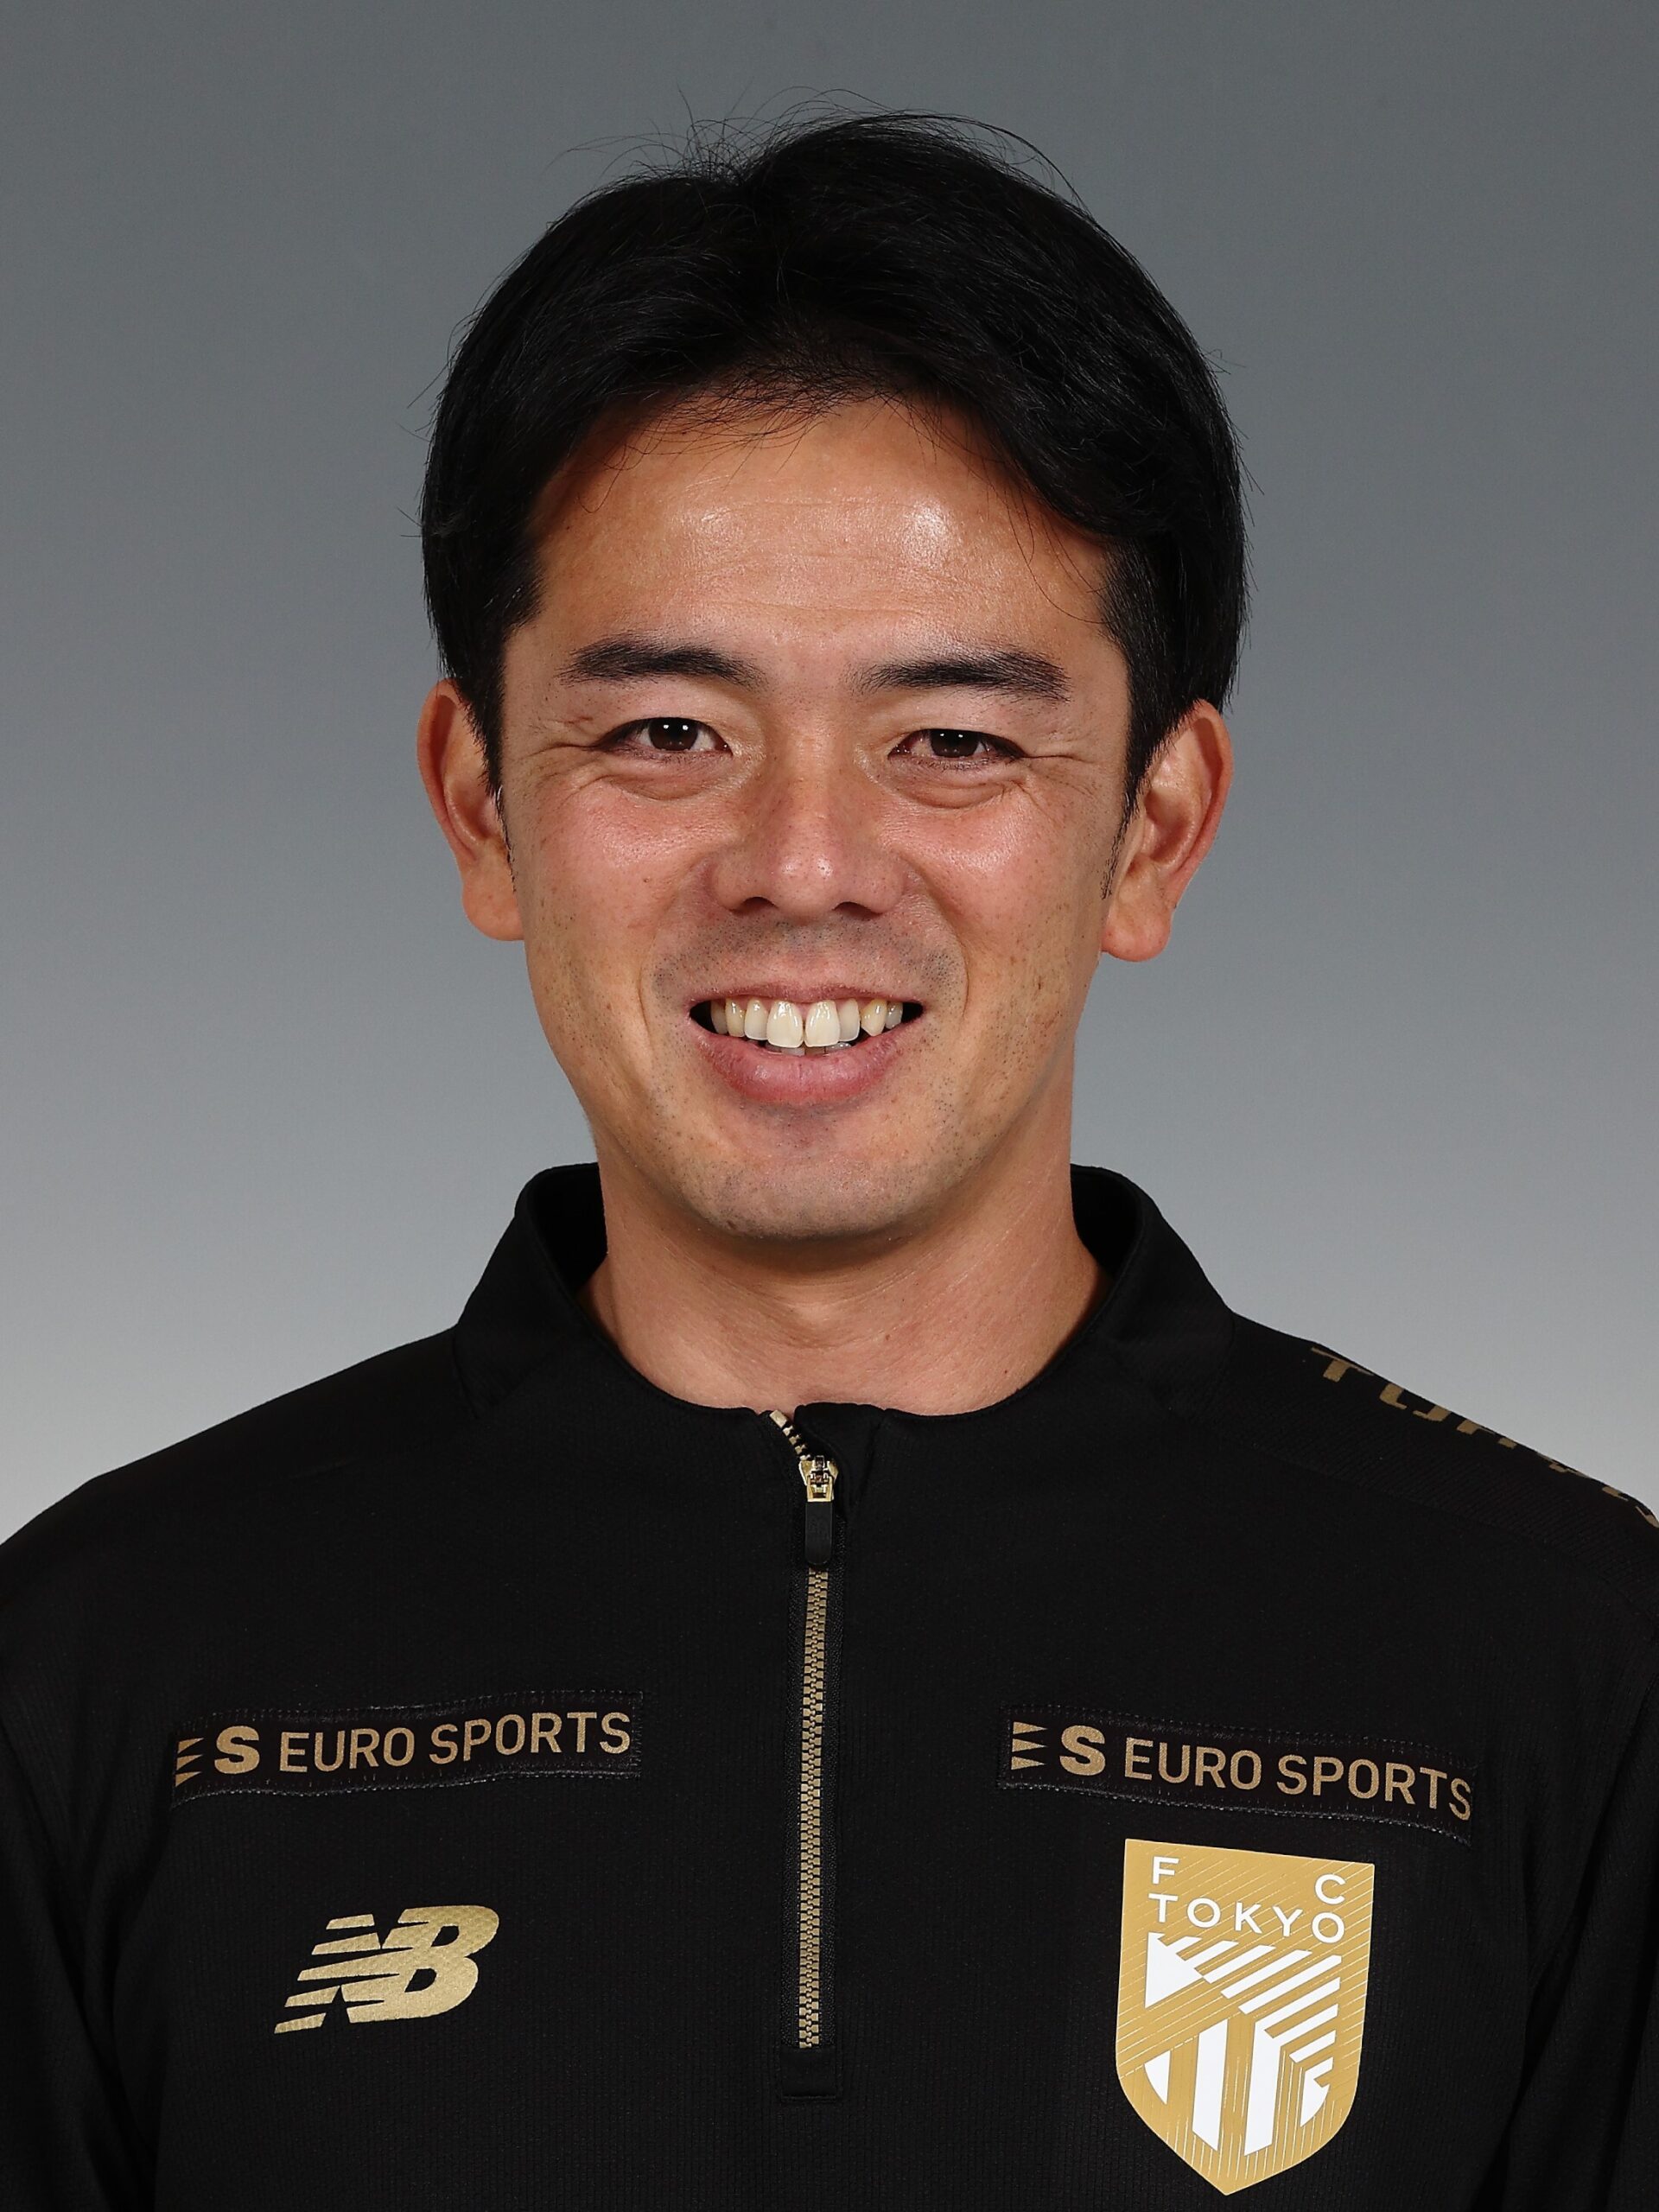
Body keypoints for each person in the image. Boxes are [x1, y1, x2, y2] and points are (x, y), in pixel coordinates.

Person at [1, 111, 1654, 2212]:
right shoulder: (105, 1666)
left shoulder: (1567, 1661)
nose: (802, 862)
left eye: (952, 739)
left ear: (1152, 828)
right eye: (667, 732)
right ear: (482, 803)